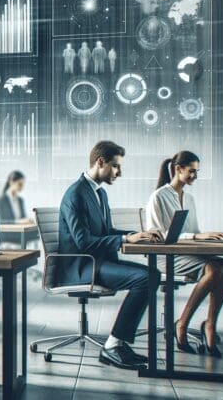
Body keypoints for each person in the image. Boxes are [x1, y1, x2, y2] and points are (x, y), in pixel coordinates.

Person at [53, 140, 161, 370]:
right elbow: (83, 242)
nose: (119, 173)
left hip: (98, 262)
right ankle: (113, 346)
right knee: (147, 277)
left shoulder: (99, 194)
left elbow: (106, 232)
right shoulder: (76, 194)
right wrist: (124, 240)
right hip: (81, 267)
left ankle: (117, 344)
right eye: (115, 166)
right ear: (100, 162)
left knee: (151, 274)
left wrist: (135, 234)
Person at [146, 151, 223, 357]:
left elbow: (193, 233)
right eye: (192, 171)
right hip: (165, 257)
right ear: (178, 169)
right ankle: (182, 324)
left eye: (197, 172)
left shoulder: (189, 198)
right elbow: (156, 235)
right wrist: (199, 237)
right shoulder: (158, 196)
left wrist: (207, 237)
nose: (196, 176)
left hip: (187, 254)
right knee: (213, 270)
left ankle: (210, 325)